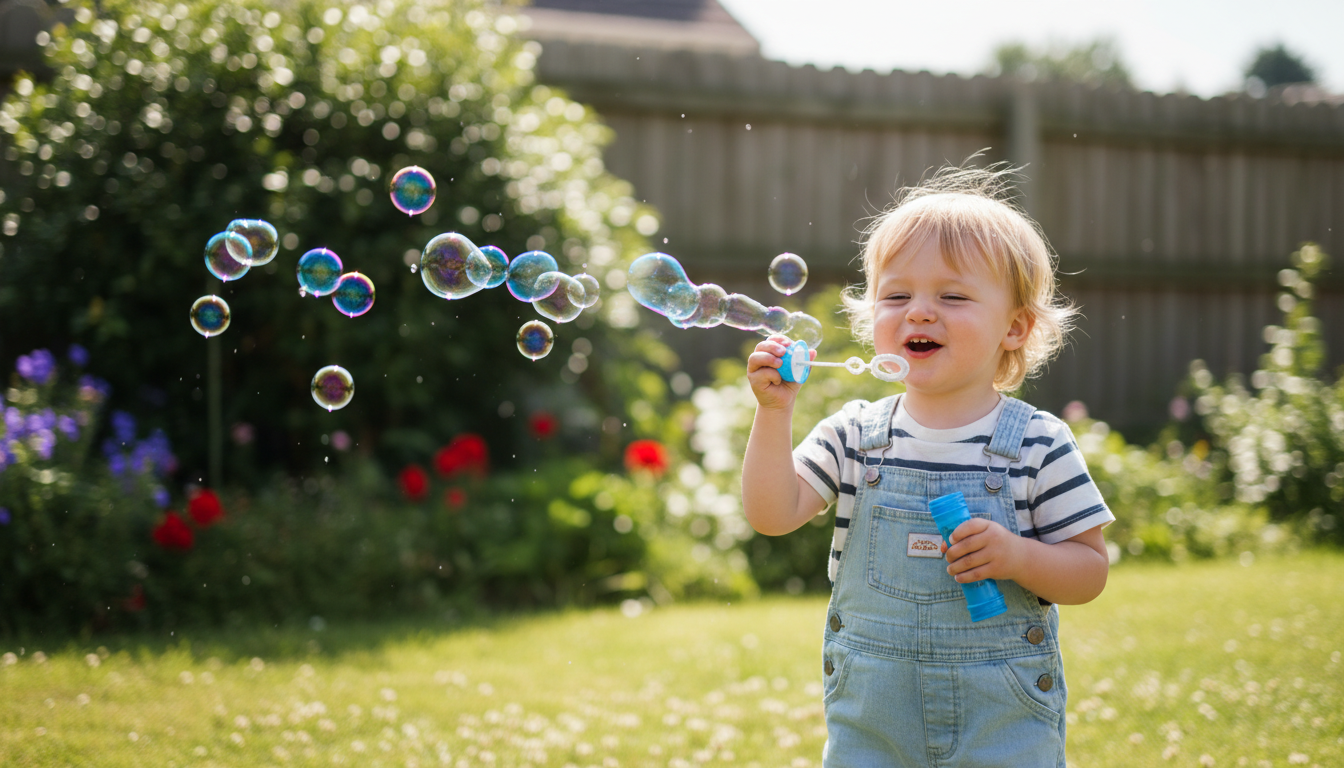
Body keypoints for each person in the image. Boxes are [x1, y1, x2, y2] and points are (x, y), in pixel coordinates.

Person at [742, 165, 1113, 767]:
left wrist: (1018, 557)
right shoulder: (854, 435)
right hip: (873, 725)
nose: (918, 312)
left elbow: (1090, 572)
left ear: (1015, 327)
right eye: (896, 296)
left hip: (1003, 725)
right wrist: (773, 413)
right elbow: (771, 514)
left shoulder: (1039, 444)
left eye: (952, 296)